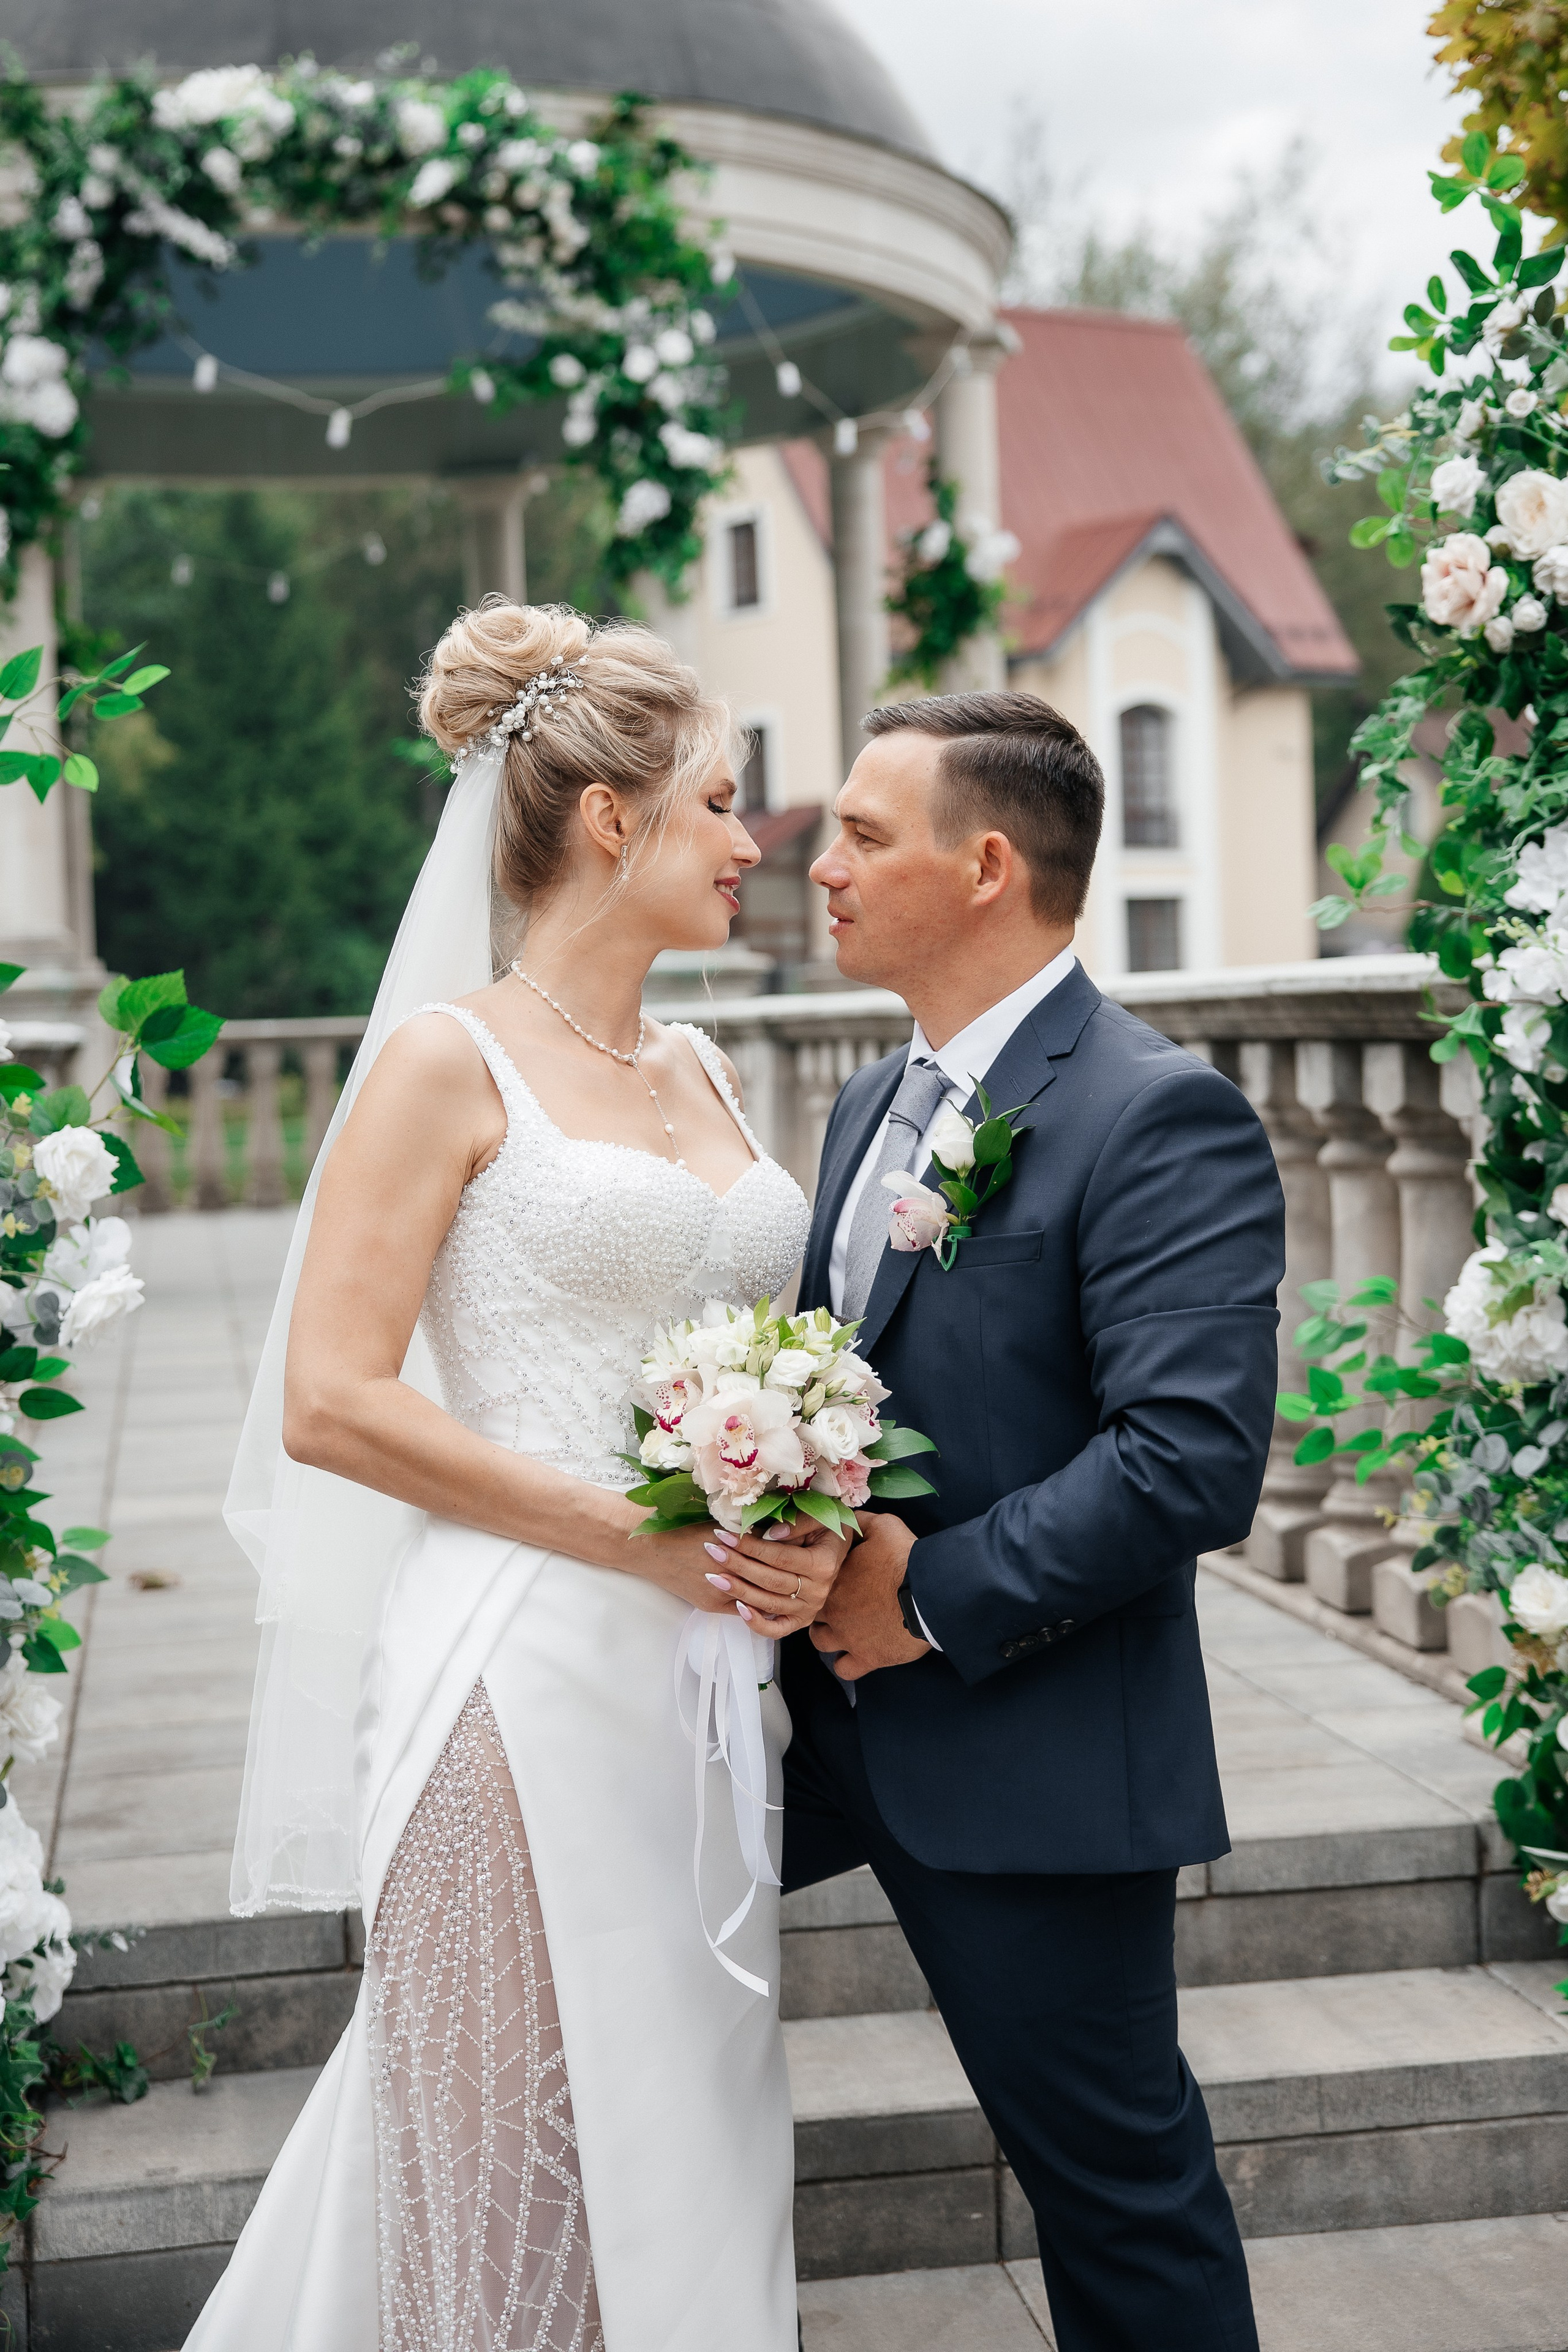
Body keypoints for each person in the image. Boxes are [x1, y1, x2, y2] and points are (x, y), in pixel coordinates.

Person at [187, 604, 823, 2352]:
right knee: (506, 2140)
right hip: (517, 1666)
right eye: (718, 803)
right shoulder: (443, 1061)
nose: (750, 844)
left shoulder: (699, 1062)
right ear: (613, 820)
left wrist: (797, 1495)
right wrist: (638, 1530)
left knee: (692, 2124)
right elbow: (329, 1400)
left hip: (705, 1686)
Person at [773, 690, 1284, 2352]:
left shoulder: (1153, 1115)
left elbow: (1190, 1458)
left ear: (985, 863)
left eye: (861, 833)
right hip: (818, 1730)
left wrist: (925, 1600)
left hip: (1034, 1747)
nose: (821, 864)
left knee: (1119, 2196)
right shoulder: (868, 1106)